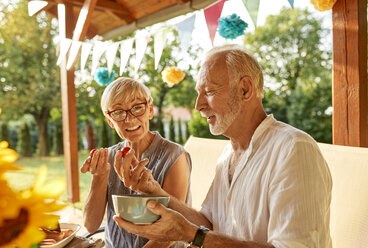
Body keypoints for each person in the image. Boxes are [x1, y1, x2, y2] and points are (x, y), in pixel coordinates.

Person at [112, 45, 333, 248]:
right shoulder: (228, 154)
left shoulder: (293, 149)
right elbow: (209, 223)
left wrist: (191, 235)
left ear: (245, 89)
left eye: (208, 92)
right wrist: (154, 190)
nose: (198, 105)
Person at [80, 77, 192, 248]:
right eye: (118, 112)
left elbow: (171, 232)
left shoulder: (174, 156)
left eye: (137, 107)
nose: (129, 119)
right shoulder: (109, 157)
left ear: (150, 109)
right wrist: (99, 176)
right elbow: (90, 225)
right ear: (110, 120)